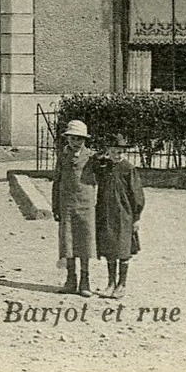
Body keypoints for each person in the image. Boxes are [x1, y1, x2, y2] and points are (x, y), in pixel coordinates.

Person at [92, 133, 145, 298]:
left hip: (123, 215)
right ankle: (111, 283)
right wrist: (98, 157)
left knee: (122, 249)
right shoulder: (104, 168)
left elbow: (137, 195)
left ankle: (122, 285)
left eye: (121, 151)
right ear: (109, 151)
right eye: (114, 151)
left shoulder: (129, 169)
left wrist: (136, 217)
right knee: (109, 249)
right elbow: (91, 167)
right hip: (106, 214)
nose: (118, 154)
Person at [52, 119, 98, 296]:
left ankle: (85, 281)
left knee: (85, 242)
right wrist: (56, 206)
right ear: (67, 139)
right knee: (68, 242)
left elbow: (101, 176)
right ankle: (71, 279)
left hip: (86, 205)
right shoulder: (63, 156)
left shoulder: (92, 157)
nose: (76, 142)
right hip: (67, 205)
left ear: (85, 140)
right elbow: (57, 181)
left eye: (79, 139)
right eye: (72, 138)